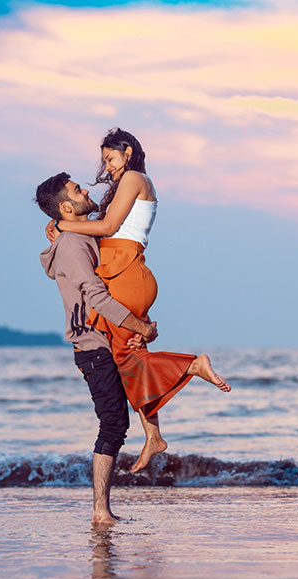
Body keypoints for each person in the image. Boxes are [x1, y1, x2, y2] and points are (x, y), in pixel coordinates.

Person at [43, 141, 231, 473]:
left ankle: (193, 366)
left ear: (128, 151)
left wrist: (62, 226)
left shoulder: (133, 178)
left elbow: (107, 229)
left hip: (126, 273)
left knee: (126, 358)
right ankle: (153, 435)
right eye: (104, 160)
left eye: (110, 158)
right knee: (129, 359)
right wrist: (63, 227)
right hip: (124, 272)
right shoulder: (126, 185)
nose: (107, 166)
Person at [35, 172, 157, 525]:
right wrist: (143, 328)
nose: (85, 189)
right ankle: (100, 511)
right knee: (113, 425)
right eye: (77, 190)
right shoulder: (72, 246)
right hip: (93, 345)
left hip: (108, 339)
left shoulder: (77, 237)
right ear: (65, 207)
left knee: (130, 405)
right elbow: (99, 298)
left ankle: (154, 440)